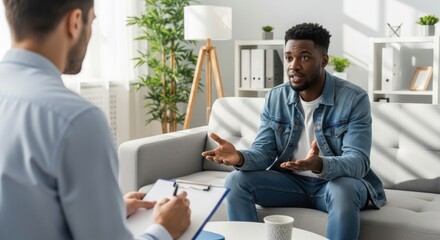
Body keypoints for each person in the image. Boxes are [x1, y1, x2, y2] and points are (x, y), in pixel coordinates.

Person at [0, 0, 190, 239]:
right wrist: (164, 229)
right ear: (75, 22)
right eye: (92, 22)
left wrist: (109, 211)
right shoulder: (76, 120)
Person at [202, 23, 386, 240]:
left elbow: (358, 161)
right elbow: (264, 151)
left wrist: (320, 165)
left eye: (305, 57)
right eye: (289, 57)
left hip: (334, 184)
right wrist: (240, 157)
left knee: (342, 189)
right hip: (292, 184)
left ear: (324, 60)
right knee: (236, 181)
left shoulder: (354, 98)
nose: (294, 65)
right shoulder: (276, 97)